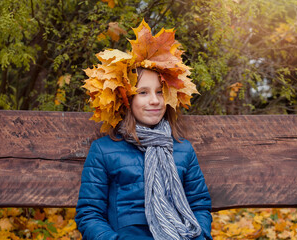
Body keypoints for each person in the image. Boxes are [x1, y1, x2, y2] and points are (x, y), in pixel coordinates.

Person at [75, 20, 213, 240]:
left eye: (160, 92)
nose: (154, 100)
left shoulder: (182, 150)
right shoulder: (104, 150)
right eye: (143, 93)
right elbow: (89, 214)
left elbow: (200, 205)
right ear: (125, 98)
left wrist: (198, 236)